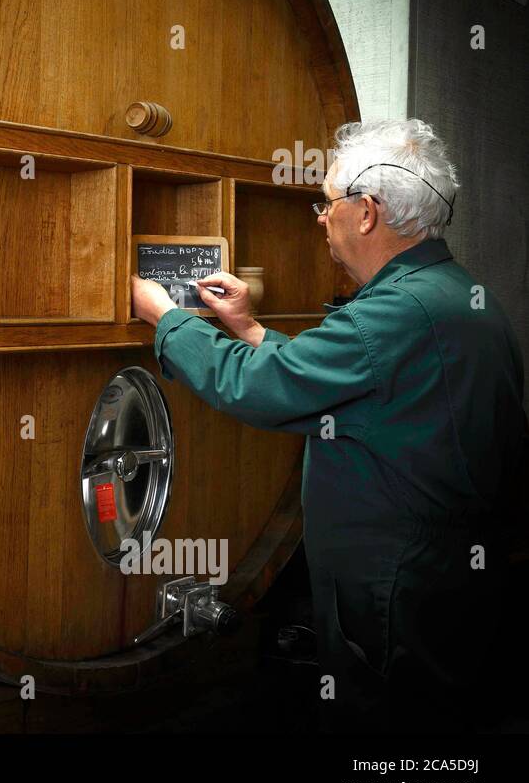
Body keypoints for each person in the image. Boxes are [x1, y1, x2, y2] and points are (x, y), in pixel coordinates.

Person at [131, 119, 527, 732]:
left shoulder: (395, 314)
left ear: (366, 213)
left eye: (328, 201)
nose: (321, 217)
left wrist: (164, 317)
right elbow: (351, 385)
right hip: (453, 583)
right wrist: (250, 330)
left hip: (398, 594)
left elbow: (260, 389)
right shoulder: (458, 295)